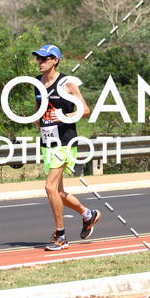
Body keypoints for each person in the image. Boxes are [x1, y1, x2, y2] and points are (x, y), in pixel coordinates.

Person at [32, 44, 101, 251]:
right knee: (59, 192)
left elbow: (85, 110)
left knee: (49, 187)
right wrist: (36, 120)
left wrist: (62, 117)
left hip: (65, 141)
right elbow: (39, 110)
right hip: (47, 141)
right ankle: (88, 214)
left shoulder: (67, 83)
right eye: (38, 58)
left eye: (44, 58)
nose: (40, 62)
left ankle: (61, 236)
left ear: (55, 60)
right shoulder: (36, 83)